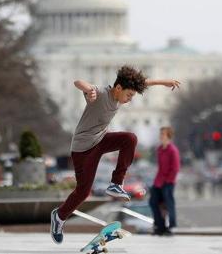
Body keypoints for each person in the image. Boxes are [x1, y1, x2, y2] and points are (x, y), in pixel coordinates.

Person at [51, 65, 180, 244]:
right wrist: (88, 90)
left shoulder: (122, 93)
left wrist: (164, 82)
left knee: (130, 139)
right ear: (118, 88)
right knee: (83, 191)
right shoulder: (101, 94)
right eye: (128, 95)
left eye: (132, 97)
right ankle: (59, 216)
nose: (128, 100)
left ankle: (116, 183)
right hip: (83, 148)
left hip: (101, 140)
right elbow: (78, 82)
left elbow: (144, 82)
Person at [149, 126, 180, 236]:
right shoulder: (160, 149)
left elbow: (175, 168)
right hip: (158, 181)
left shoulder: (173, 150)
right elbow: (160, 167)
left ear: (169, 136)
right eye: (160, 134)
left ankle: (171, 227)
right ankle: (160, 226)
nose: (161, 136)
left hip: (168, 182)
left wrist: (168, 181)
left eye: (163, 134)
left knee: (168, 204)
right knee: (153, 202)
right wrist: (156, 182)